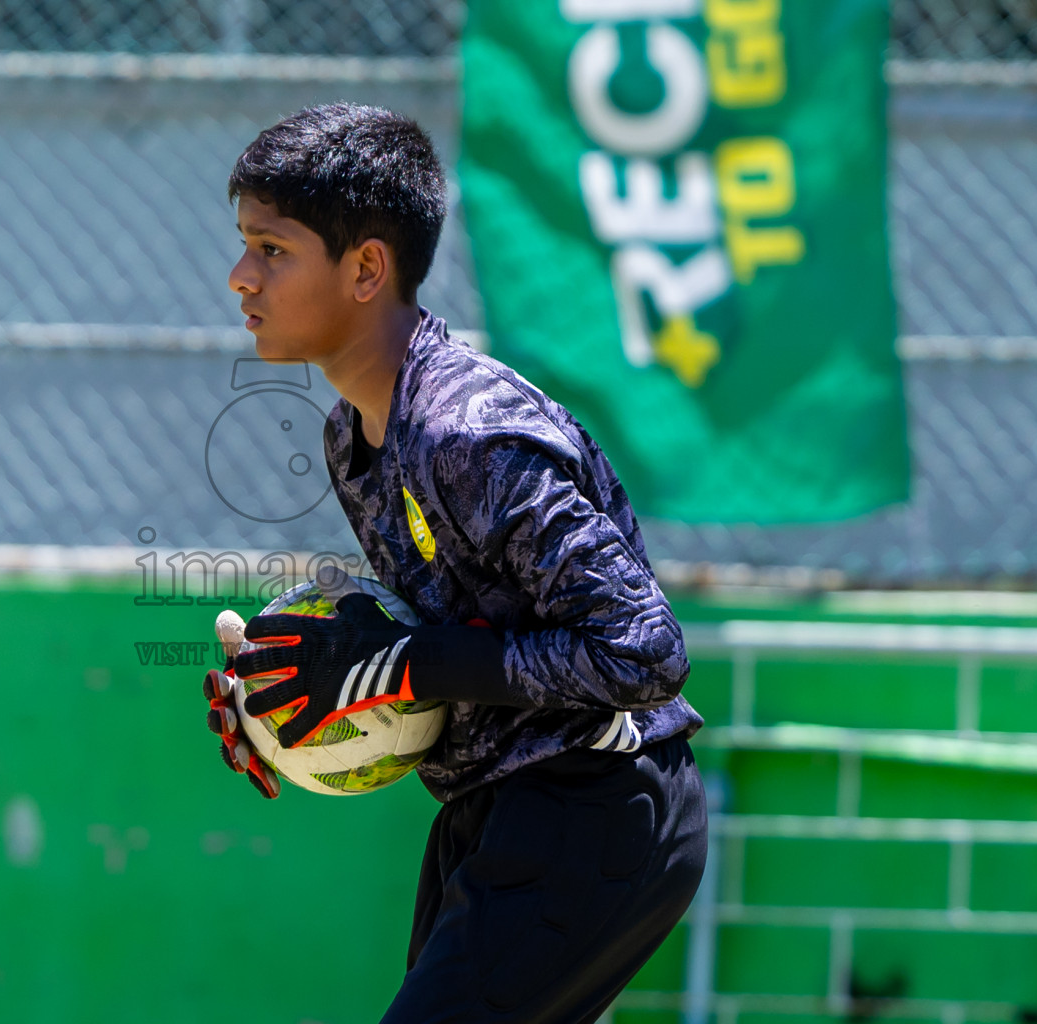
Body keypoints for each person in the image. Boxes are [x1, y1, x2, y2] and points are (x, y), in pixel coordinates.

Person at [201, 103, 707, 1024]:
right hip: (490, 809)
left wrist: (396, 666)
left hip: (598, 801)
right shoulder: (352, 438)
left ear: (365, 269)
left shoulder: (465, 433)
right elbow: (445, 648)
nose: (241, 276)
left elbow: (646, 653)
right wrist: (284, 699)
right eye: (245, 245)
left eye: (271, 249)